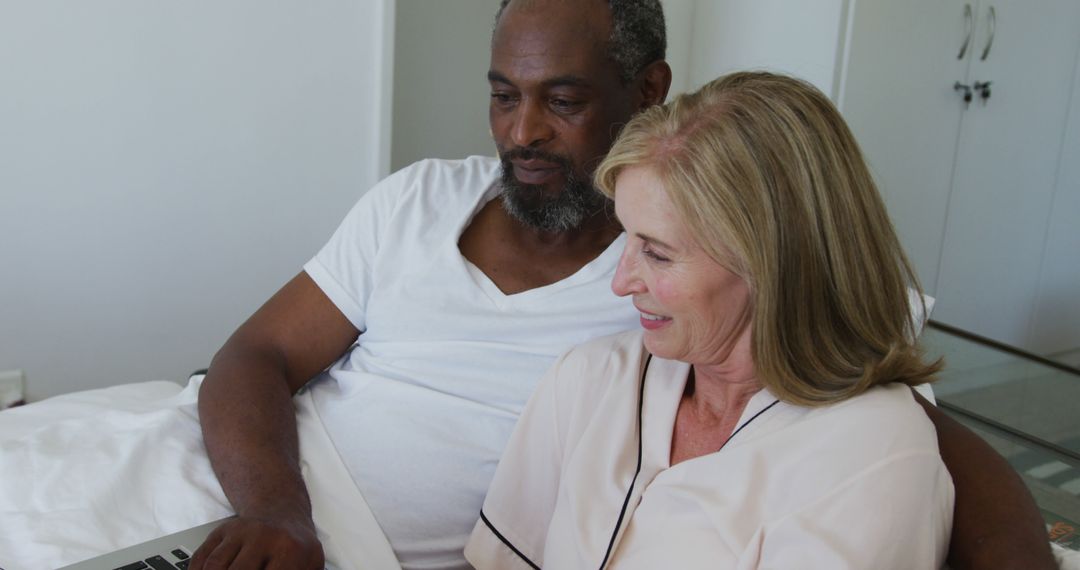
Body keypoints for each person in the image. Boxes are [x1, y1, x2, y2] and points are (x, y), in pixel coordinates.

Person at [0, 1, 1057, 570]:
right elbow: (254, 355)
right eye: (504, 96)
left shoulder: (719, 298)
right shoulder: (431, 209)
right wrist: (279, 509)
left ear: (645, 92)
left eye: (560, 99)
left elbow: (907, 429)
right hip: (237, 481)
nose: (522, 133)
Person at [465, 71, 949, 568]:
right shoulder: (590, 379)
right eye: (626, 239)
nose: (622, 282)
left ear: (771, 263)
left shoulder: (871, 456)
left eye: (656, 253)